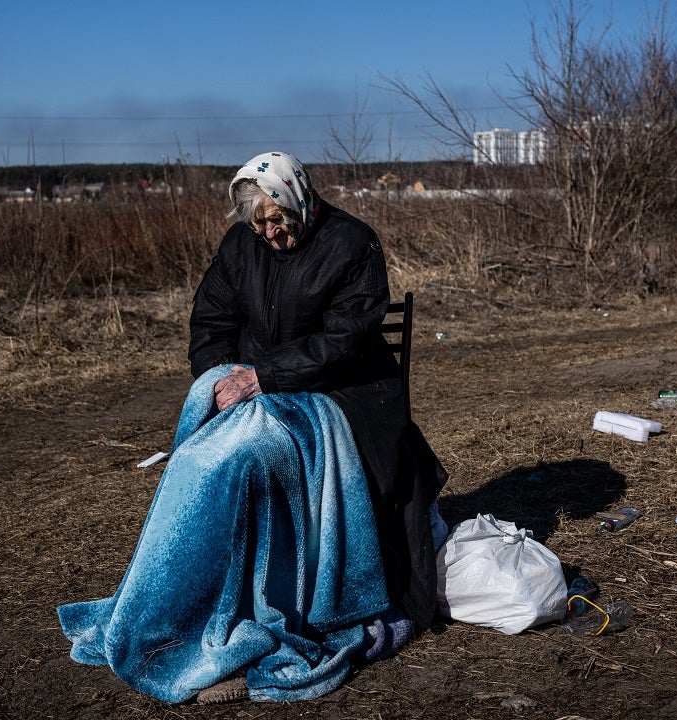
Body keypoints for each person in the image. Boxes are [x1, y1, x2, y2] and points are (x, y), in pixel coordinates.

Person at [56, 152, 446, 704]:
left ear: (299, 197)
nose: (269, 231)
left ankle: (272, 602)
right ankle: (192, 605)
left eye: (276, 217)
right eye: (258, 222)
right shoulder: (242, 245)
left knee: (245, 457)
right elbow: (212, 321)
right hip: (260, 391)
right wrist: (218, 380)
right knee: (199, 459)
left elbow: (344, 341)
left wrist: (264, 377)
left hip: (341, 395)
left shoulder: (353, 243)